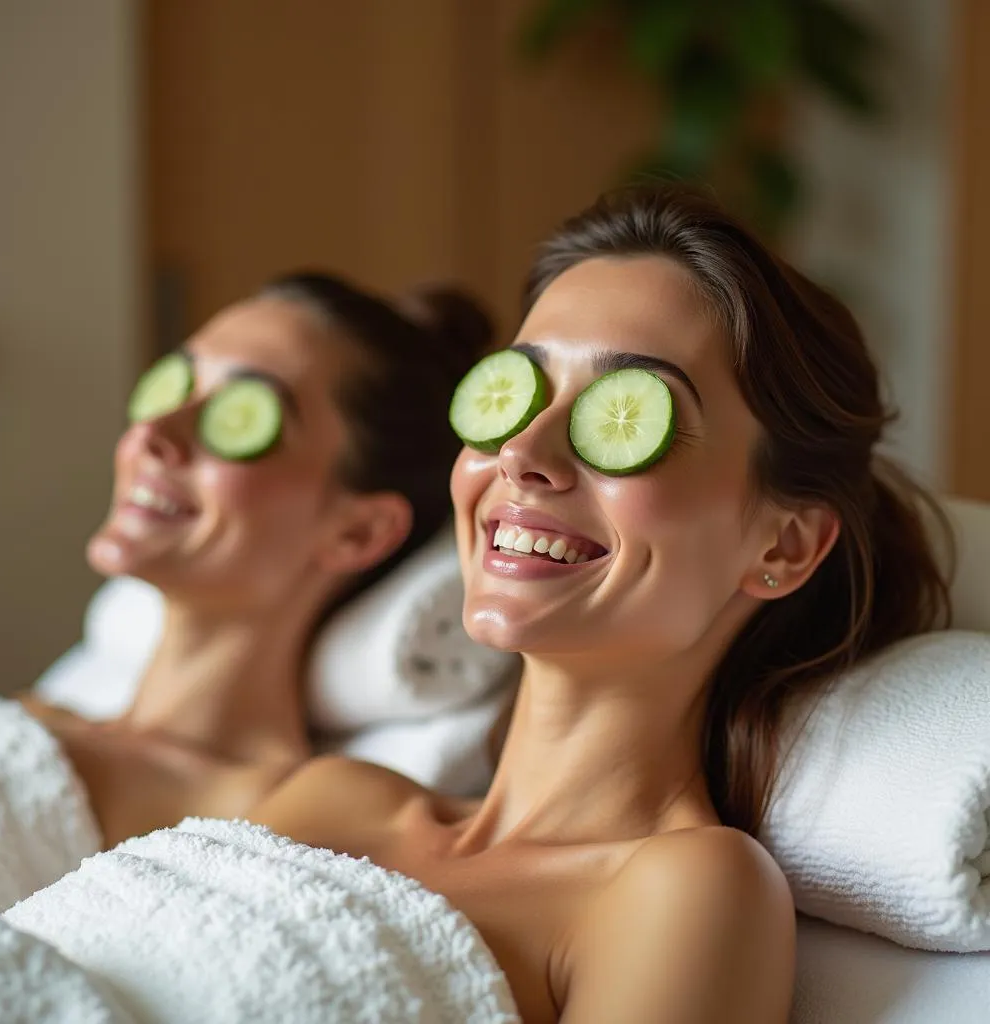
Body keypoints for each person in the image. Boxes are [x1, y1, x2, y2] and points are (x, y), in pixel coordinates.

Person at [248, 186, 952, 1023]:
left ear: (784, 547)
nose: (521, 453)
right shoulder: (329, 799)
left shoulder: (683, 891)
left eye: (625, 416)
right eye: (519, 391)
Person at [18, 272, 494, 849]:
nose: (154, 432)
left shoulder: (300, 818)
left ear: (359, 532)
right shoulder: (29, 718)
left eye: (241, 415)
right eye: (175, 386)